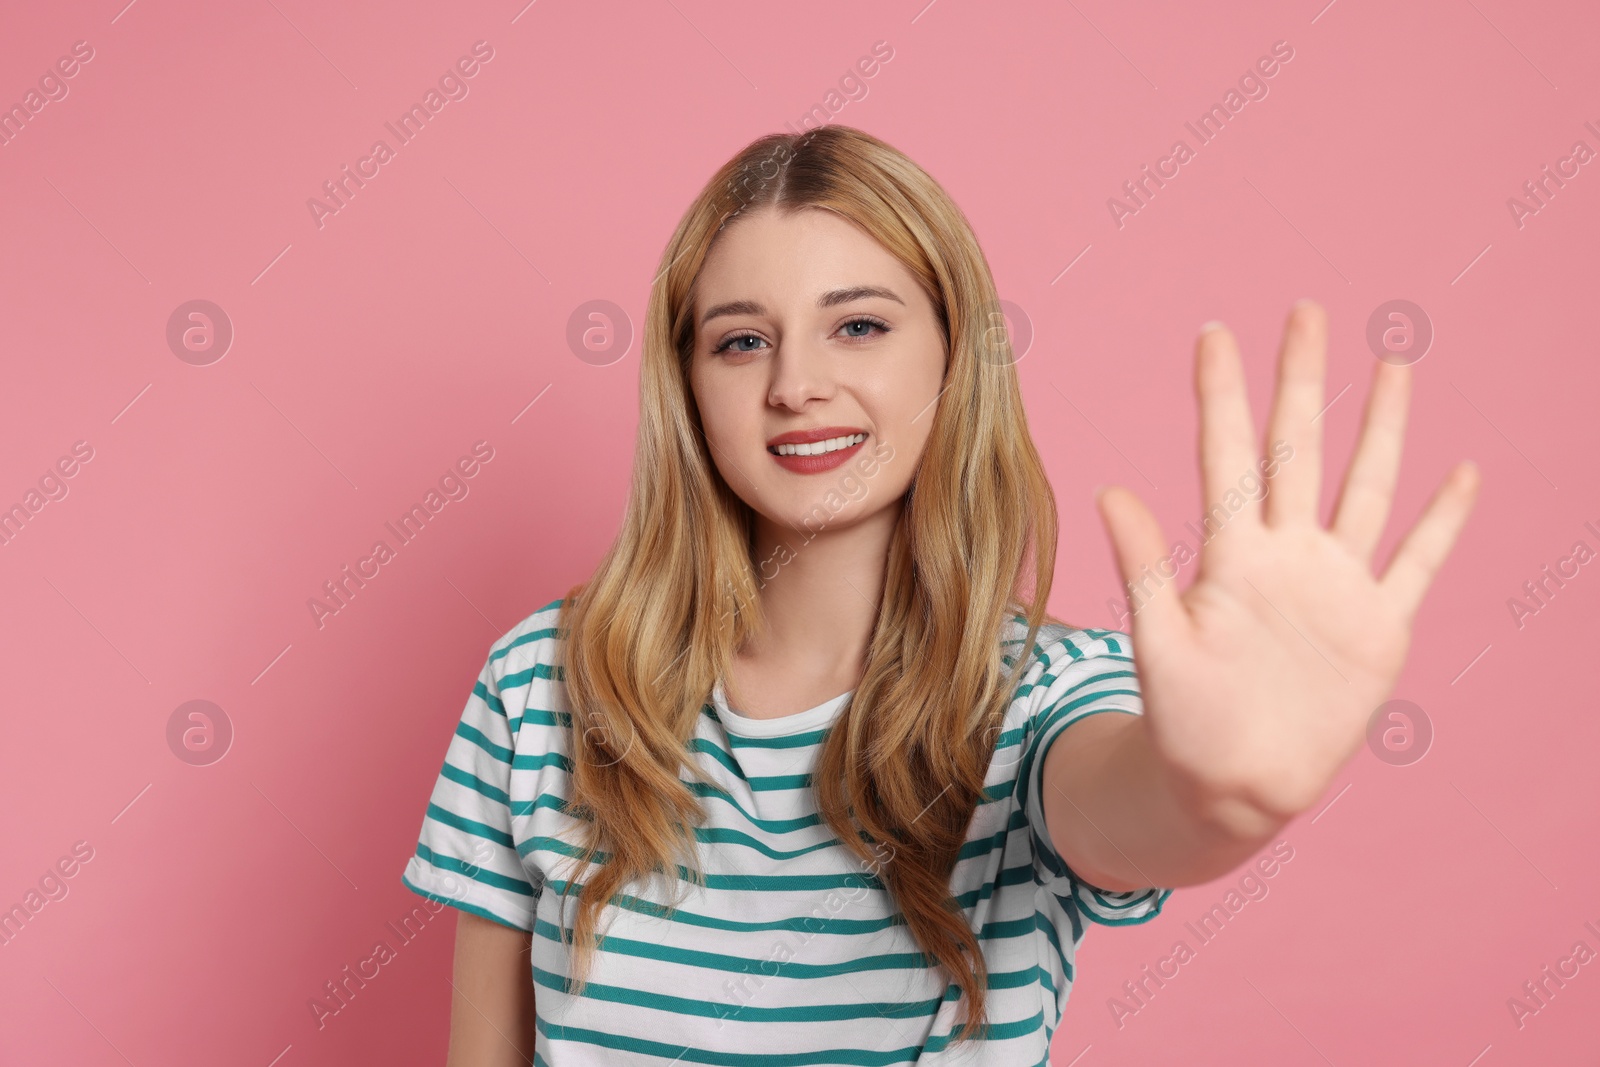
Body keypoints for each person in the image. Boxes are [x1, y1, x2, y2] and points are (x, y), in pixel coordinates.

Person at [400, 124, 1480, 1065]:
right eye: (740, 340)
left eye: (858, 324)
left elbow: (1129, 804)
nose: (794, 382)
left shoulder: (1041, 696)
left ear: (954, 358)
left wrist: (1214, 788)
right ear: (686, 386)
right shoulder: (542, 682)